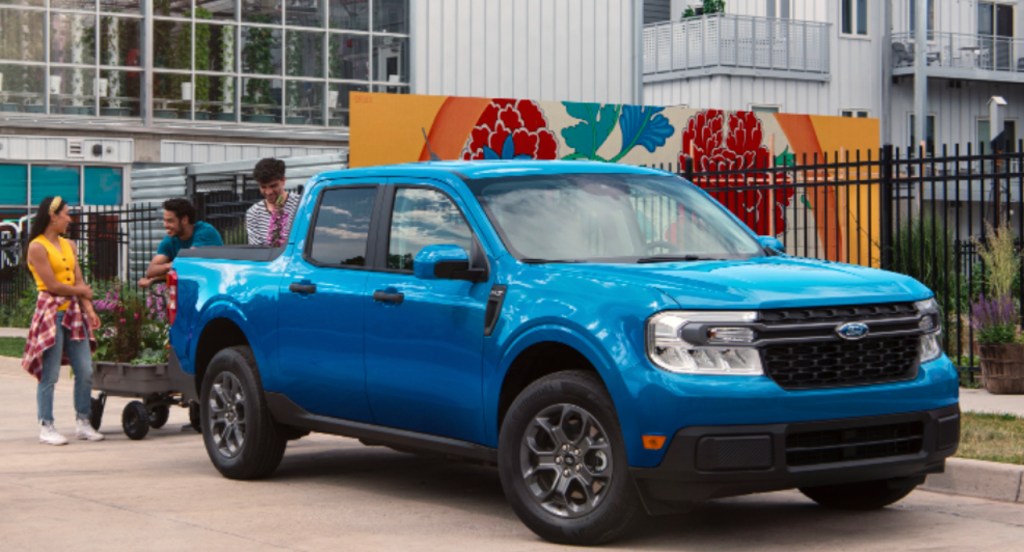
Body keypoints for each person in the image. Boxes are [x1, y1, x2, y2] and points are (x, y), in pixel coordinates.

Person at [22, 196, 105, 445]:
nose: (70, 219)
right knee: (50, 373)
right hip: (50, 312)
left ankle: (83, 421)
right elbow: (53, 285)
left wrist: (89, 310)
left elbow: (78, 281)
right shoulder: (37, 247)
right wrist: (82, 293)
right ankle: (46, 425)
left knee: (86, 370)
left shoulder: (69, 245)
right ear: (53, 216)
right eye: (66, 214)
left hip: (73, 314)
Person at [139, 198, 223, 288]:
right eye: (164, 220)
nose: (165, 225)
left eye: (170, 221)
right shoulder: (170, 240)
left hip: (214, 287)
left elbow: (188, 265)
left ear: (184, 220)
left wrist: (156, 279)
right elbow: (151, 271)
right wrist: (169, 266)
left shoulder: (205, 232)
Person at [246, 157, 301, 247]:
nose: (268, 192)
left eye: (273, 186)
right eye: (263, 187)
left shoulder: (300, 204)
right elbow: (256, 249)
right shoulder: (253, 213)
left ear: (283, 180)